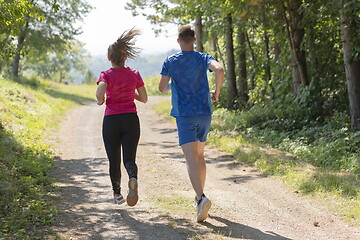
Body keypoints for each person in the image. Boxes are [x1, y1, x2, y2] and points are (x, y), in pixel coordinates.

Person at [159, 25, 224, 222]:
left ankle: (200, 197)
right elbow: (219, 69)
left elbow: (162, 88)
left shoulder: (170, 61)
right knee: (199, 155)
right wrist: (217, 93)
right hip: (205, 112)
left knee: (190, 158)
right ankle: (200, 198)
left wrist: (174, 83)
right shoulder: (203, 58)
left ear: (178, 41)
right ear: (194, 40)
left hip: (185, 114)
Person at [96, 28, 148, 207]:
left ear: (109, 58)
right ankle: (132, 178)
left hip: (111, 120)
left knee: (114, 159)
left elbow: (101, 90)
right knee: (129, 159)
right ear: (125, 57)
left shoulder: (106, 74)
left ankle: (117, 194)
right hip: (130, 120)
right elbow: (144, 98)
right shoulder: (134, 74)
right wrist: (130, 92)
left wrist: (100, 99)